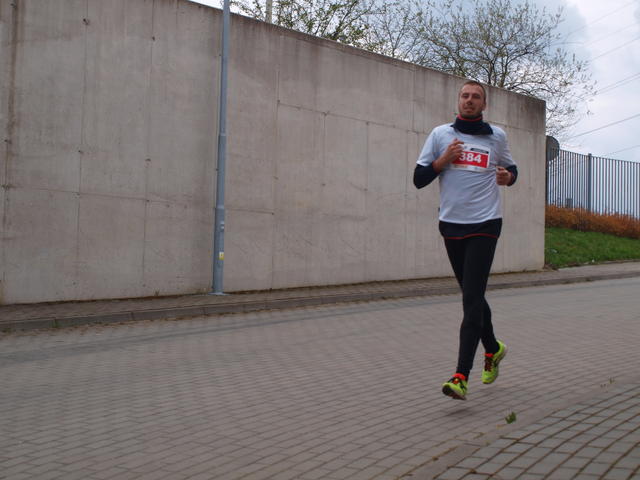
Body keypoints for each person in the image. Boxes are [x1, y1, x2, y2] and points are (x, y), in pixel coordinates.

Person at [413, 80, 518, 400]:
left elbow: (511, 170)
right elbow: (419, 179)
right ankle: (493, 347)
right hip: (451, 225)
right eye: (465, 96)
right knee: (473, 295)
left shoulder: (496, 136)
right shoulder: (440, 135)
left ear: (484, 104)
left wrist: (508, 177)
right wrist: (442, 160)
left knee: (471, 300)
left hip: (486, 222)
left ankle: (460, 376)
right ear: (458, 101)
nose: (469, 100)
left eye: (476, 97)